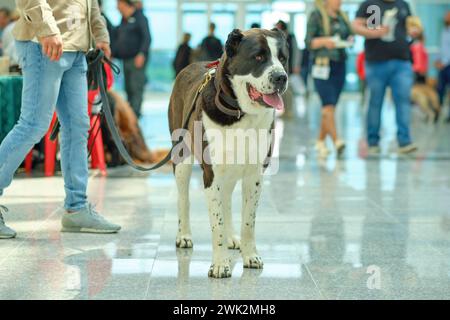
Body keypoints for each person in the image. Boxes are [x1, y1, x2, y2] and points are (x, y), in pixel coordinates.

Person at [0, 0, 121, 239]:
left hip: (76, 49)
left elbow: (90, 4)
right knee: (33, 125)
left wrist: (101, 34)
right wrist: (48, 29)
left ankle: (76, 208)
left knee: (77, 126)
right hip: (43, 44)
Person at [353, 0, 418, 154]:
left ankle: (404, 141)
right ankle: (373, 141)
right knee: (375, 102)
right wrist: (374, 32)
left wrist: (413, 31)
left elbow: (409, 26)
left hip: (402, 62)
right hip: (376, 62)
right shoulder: (370, 4)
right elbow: (356, 25)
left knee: (403, 102)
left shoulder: (403, 5)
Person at [305, 0, 353, 157]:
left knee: (331, 107)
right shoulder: (316, 16)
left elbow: (349, 36)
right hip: (322, 65)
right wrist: (326, 41)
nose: (339, 2)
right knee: (328, 104)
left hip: (340, 64)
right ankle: (337, 141)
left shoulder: (343, 17)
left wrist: (349, 40)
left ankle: (320, 141)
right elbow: (309, 42)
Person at [114, 0, 151, 118]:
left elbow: (147, 38)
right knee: (128, 88)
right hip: (126, 60)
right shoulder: (123, 20)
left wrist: (142, 54)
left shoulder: (140, 18)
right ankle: (130, 115)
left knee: (136, 87)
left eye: (119, 4)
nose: (117, 7)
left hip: (136, 60)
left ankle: (135, 116)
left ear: (125, 4)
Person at [408, 17, 440, 123]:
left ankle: (429, 114)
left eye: (416, 27)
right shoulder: (413, 43)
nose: (414, 30)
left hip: (416, 74)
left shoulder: (417, 44)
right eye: (412, 27)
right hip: (415, 73)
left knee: (420, 97)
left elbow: (420, 62)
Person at [276, 20, 301, 119]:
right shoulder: (277, 39)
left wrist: (296, 65)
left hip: (289, 68)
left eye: (278, 27)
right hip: (280, 68)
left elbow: (296, 52)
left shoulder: (291, 37)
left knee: (288, 90)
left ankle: (289, 111)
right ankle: (285, 110)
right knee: (282, 91)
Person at [435, 11, 450, 122]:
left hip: (448, 64)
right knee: (440, 90)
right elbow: (442, 47)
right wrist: (438, 60)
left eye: (448, 15)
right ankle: (437, 112)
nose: (445, 16)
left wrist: (445, 61)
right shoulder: (444, 31)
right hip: (443, 66)